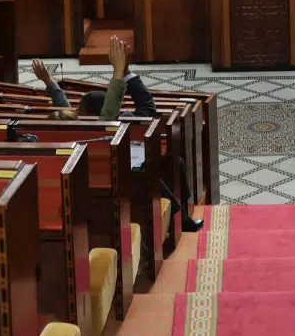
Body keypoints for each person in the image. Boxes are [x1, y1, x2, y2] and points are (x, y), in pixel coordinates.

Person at [69, 36, 205, 232]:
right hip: (111, 179)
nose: (75, 111)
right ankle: (181, 219)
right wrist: (119, 72)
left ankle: (181, 215)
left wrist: (124, 72)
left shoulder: (118, 119)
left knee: (174, 163)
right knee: (150, 177)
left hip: (124, 171)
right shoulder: (81, 130)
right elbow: (111, 116)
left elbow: (145, 108)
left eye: (79, 109)